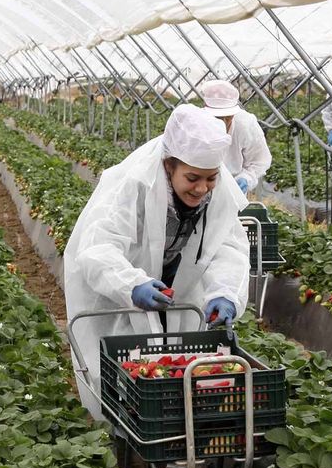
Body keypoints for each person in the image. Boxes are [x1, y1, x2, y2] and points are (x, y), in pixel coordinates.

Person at [63, 105, 250, 415]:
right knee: (121, 373)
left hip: (180, 283)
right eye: (192, 178)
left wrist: (225, 292)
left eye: (211, 179)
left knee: (176, 369)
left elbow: (228, 246)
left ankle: (172, 439)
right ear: (168, 165)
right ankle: (122, 443)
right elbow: (98, 246)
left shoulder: (219, 192)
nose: (202, 188)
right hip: (118, 289)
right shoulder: (133, 183)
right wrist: (131, 284)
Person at [197, 78, 272, 192]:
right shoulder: (195, 125)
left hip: (233, 188)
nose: (224, 122)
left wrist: (246, 178)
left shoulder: (245, 124)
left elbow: (260, 160)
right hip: (200, 187)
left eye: (228, 117)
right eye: (218, 118)